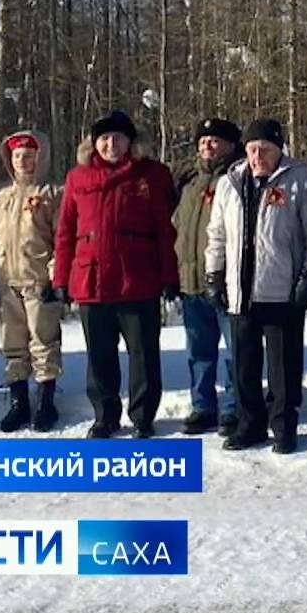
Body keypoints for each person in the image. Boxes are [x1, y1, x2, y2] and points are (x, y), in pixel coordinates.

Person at [55, 110, 180, 439]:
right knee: (99, 357)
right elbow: (66, 232)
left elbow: (166, 231)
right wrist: (61, 280)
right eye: (104, 138)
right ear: (94, 143)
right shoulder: (78, 178)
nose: (111, 144)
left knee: (143, 355)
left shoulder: (152, 175)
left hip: (137, 280)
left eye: (118, 138)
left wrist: (170, 277)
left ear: (130, 142)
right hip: (92, 281)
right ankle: (105, 415)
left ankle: (142, 417)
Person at [206, 118, 307, 453]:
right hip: (240, 291)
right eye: (252, 149)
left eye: (266, 150)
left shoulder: (300, 179)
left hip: (281, 289)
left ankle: (284, 426)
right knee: (244, 365)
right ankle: (250, 425)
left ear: (279, 150)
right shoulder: (229, 183)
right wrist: (214, 274)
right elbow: (216, 234)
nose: (258, 155)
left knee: (283, 367)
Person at [0, 130, 66, 433]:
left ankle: (46, 399)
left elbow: (62, 237)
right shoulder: (0, 195)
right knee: (13, 344)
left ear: (40, 157)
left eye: (29, 156)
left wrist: (56, 276)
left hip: (37, 280)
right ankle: (19, 401)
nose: (23, 162)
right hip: (7, 280)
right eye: (18, 156)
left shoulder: (52, 193)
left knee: (43, 340)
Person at [173, 118, 243, 436]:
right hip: (191, 282)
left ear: (230, 145)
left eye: (214, 141)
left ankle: (233, 407)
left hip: (227, 282)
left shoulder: (238, 177)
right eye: (203, 142)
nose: (207, 147)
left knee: (235, 351)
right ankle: (202, 406)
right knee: (198, 352)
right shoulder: (189, 184)